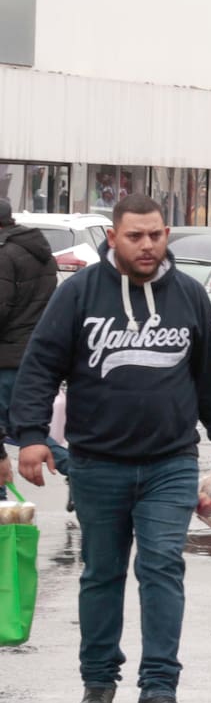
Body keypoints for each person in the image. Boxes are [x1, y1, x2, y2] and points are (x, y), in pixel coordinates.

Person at [11, 194, 211, 703]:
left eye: (156, 235)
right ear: (113, 238)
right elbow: (41, 365)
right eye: (135, 236)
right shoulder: (78, 294)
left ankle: (159, 689)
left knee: (162, 566)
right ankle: (98, 682)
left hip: (171, 462)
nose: (147, 245)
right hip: (97, 463)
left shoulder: (188, 295)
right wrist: (29, 436)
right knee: (102, 573)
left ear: (167, 236)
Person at [0, 198, 61, 501]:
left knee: (18, 429)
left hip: (6, 356)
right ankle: (75, 469)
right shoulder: (40, 252)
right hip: (32, 354)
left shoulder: (5, 254)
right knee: (24, 429)